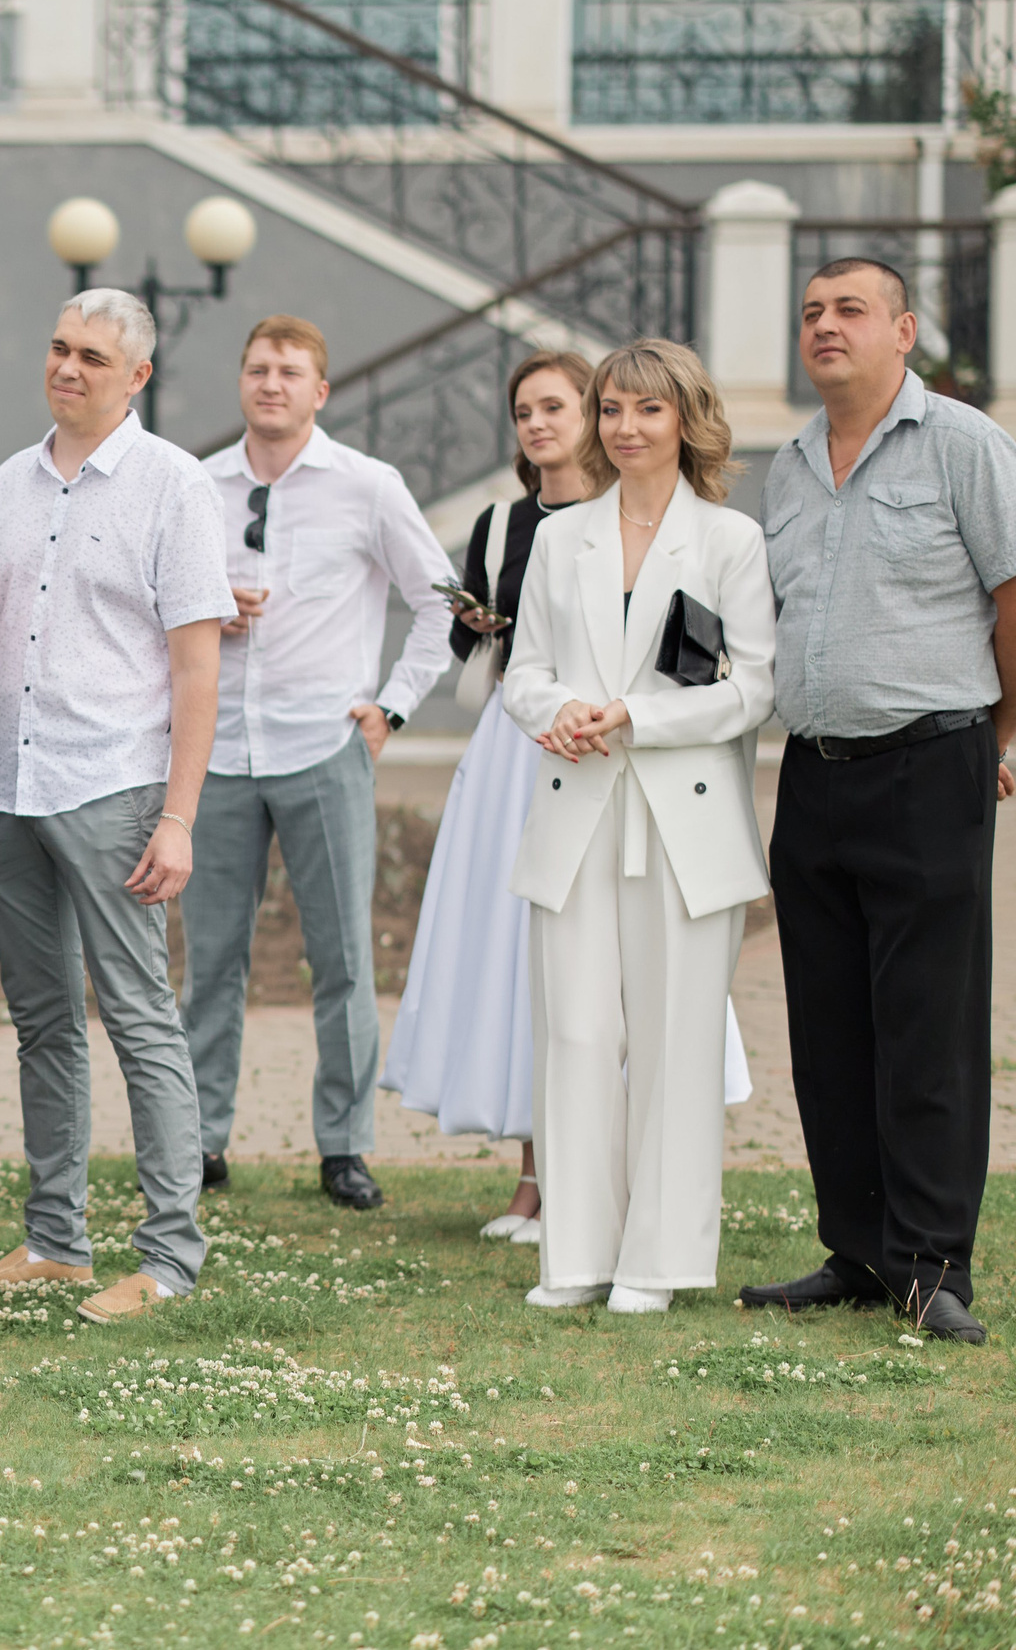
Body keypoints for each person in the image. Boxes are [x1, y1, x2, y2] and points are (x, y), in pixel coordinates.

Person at [737, 259, 1016, 1346]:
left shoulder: (963, 444)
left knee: (927, 1028)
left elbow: (1011, 593)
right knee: (828, 1027)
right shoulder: (790, 464)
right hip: (813, 773)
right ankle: (856, 1251)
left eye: (849, 309)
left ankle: (931, 1264)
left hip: (929, 766)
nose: (825, 325)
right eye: (811, 311)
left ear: (902, 330)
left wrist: (998, 736)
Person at [0, 290, 231, 1324]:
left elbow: (197, 670)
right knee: (42, 1022)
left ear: (137, 376)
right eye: (60, 348)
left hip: (115, 786)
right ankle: (55, 1241)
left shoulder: (175, 486)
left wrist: (178, 816)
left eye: (93, 357)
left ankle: (170, 1253)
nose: (68, 368)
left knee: (139, 1016)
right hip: (6, 787)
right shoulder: (7, 483)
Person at [501, 340, 775, 1315]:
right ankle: (575, 1254)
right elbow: (523, 673)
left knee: (674, 1040)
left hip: (683, 819)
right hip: (576, 806)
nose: (624, 426)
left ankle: (655, 1262)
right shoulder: (561, 537)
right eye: (611, 407)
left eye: (646, 409)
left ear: (686, 420)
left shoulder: (731, 540)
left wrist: (636, 717)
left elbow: (753, 688)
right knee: (575, 1032)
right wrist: (558, 710)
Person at [182, 315, 454, 1211]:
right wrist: (208, 610)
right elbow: (155, 606)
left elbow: (440, 603)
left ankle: (344, 1145)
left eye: (290, 372)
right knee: (211, 959)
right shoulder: (197, 485)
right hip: (218, 749)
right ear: (242, 381)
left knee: (341, 959)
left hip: (323, 745)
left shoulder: (368, 486)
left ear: (320, 390)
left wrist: (394, 705)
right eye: (259, 368)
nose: (272, 383)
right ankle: (200, 1140)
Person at [381, 351, 595, 1241]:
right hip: (512, 747)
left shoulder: (624, 515)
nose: (536, 423)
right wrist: (477, 627)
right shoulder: (501, 523)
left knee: (580, 957)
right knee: (512, 954)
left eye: (553, 406)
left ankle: (585, 1178)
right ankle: (532, 1178)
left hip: (591, 744)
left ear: (592, 412)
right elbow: (477, 655)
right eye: (523, 412)